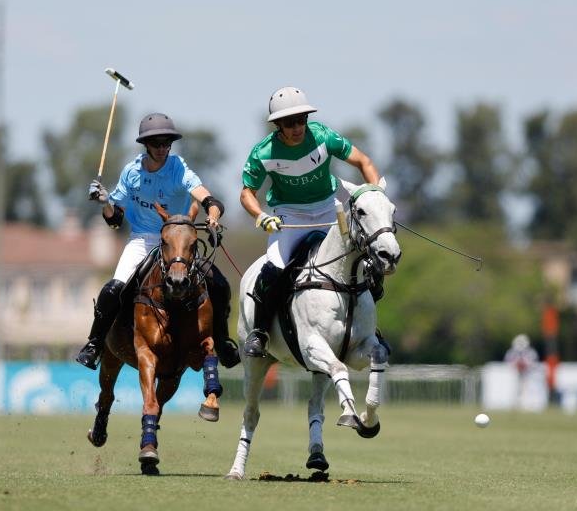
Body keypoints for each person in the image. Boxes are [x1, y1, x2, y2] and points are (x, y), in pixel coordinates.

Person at [75, 112, 240, 370]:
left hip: (178, 240)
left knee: (218, 284)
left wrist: (213, 213)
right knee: (113, 289)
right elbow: (115, 220)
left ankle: (222, 341)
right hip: (142, 240)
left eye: (167, 143)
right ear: (145, 146)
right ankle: (94, 343)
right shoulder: (131, 173)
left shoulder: (178, 168)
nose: (163, 149)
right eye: (156, 144)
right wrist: (105, 202)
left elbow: (207, 197)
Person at [240, 86, 383, 358]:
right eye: (289, 122)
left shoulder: (323, 136)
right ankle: (260, 332)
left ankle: (371, 330)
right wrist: (261, 216)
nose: (297, 127)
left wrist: (373, 195)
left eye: (302, 120)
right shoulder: (263, 152)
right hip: (289, 214)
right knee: (274, 268)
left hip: (330, 209)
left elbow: (363, 161)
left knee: (366, 263)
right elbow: (247, 193)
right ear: (278, 125)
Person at [504, 333, 539, 409]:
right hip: (515, 374)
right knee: (515, 389)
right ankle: (514, 404)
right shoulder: (511, 352)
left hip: (528, 374)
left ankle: (528, 405)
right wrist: (516, 365)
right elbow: (508, 362)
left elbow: (533, 363)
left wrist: (525, 365)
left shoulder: (531, 352)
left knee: (528, 389)